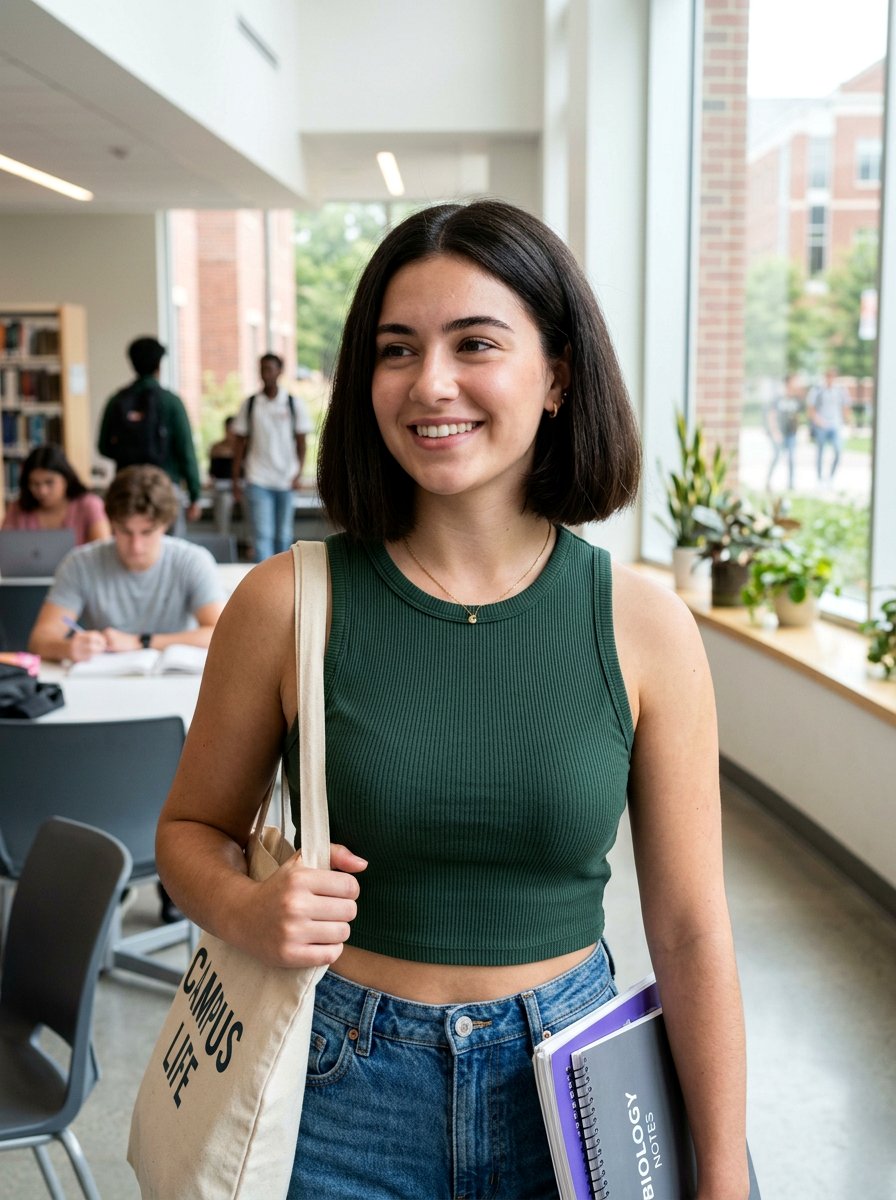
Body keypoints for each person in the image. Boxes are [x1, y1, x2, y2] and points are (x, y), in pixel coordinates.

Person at [156, 201, 751, 1198]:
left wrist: (721, 1174)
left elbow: (690, 928)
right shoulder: (286, 603)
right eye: (396, 350)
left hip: (578, 1093)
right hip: (340, 1087)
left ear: (556, 374)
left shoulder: (641, 628)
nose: (430, 383)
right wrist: (248, 909)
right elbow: (188, 829)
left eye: (473, 343)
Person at [29, 464, 224, 665]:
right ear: (111, 523)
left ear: (165, 525)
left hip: (174, 677)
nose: (136, 546)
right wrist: (68, 648)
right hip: (103, 681)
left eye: (147, 532)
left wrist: (140, 642)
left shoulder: (192, 561)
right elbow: (40, 639)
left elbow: (219, 634)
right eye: (125, 531)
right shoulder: (80, 563)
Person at [97, 336, 202, 532]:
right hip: (165, 485)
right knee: (171, 550)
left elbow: (103, 446)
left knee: (129, 545)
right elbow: (186, 451)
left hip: (126, 487)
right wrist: (195, 494)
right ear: (159, 365)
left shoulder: (117, 400)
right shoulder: (170, 401)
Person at [231, 353, 313, 560]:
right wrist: (236, 478)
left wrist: (298, 474)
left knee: (283, 535)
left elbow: (302, 443)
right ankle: (263, 585)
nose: (265, 373)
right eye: (262, 369)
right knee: (262, 536)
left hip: (286, 478)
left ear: (279, 371)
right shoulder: (250, 405)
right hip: (257, 477)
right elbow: (239, 443)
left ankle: (280, 583)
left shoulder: (293, 404)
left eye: (269, 368)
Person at [2, 443, 110, 544]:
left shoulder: (89, 505)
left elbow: (101, 550)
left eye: (49, 482)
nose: (42, 491)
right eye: (35, 484)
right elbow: (5, 550)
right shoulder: (18, 508)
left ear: (66, 479)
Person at [807, 368, 851, 484]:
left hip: (835, 425)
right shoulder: (817, 390)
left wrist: (846, 421)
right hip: (821, 425)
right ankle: (820, 478)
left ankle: (830, 478)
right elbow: (811, 409)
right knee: (820, 452)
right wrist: (819, 421)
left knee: (837, 451)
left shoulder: (840, 390)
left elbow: (846, 406)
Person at [763, 375, 804, 491]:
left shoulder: (796, 400)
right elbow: (771, 416)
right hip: (778, 434)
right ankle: (768, 482)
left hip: (790, 433)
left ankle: (791, 484)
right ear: (787, 384)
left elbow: (797, 416)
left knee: (791, 458)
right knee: (776, 456)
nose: (796, 385)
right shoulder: (778, 399)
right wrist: (775, 432)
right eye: (794, 382)